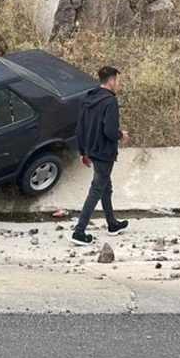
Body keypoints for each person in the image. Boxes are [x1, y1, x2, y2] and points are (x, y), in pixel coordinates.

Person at [72, 66, 129, 246]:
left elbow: (80, 127)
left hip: (91, 149)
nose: (119, 84)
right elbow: (110, 131)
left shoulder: (88, 98)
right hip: (104, 152)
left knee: (105, 187)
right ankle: (79, 232)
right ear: (111, 81)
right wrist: (121, 135)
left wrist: (83, 151)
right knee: (97, 189)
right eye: (118, 80)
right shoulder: (109, 101)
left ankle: (112, 224)